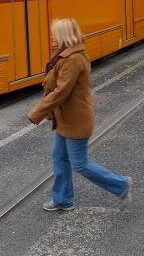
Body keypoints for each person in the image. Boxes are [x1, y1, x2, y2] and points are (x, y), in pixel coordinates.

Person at [28, 18, 132, 212]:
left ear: (64, 36)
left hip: (76, 120)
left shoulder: (73, 59)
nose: (51, 37)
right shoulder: (63, 56)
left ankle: (121, 185)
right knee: (60, 158)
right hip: (64, 119)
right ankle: (62, 200)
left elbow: (61, 92)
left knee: (80, 164)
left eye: (54, 34)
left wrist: (37, 113)